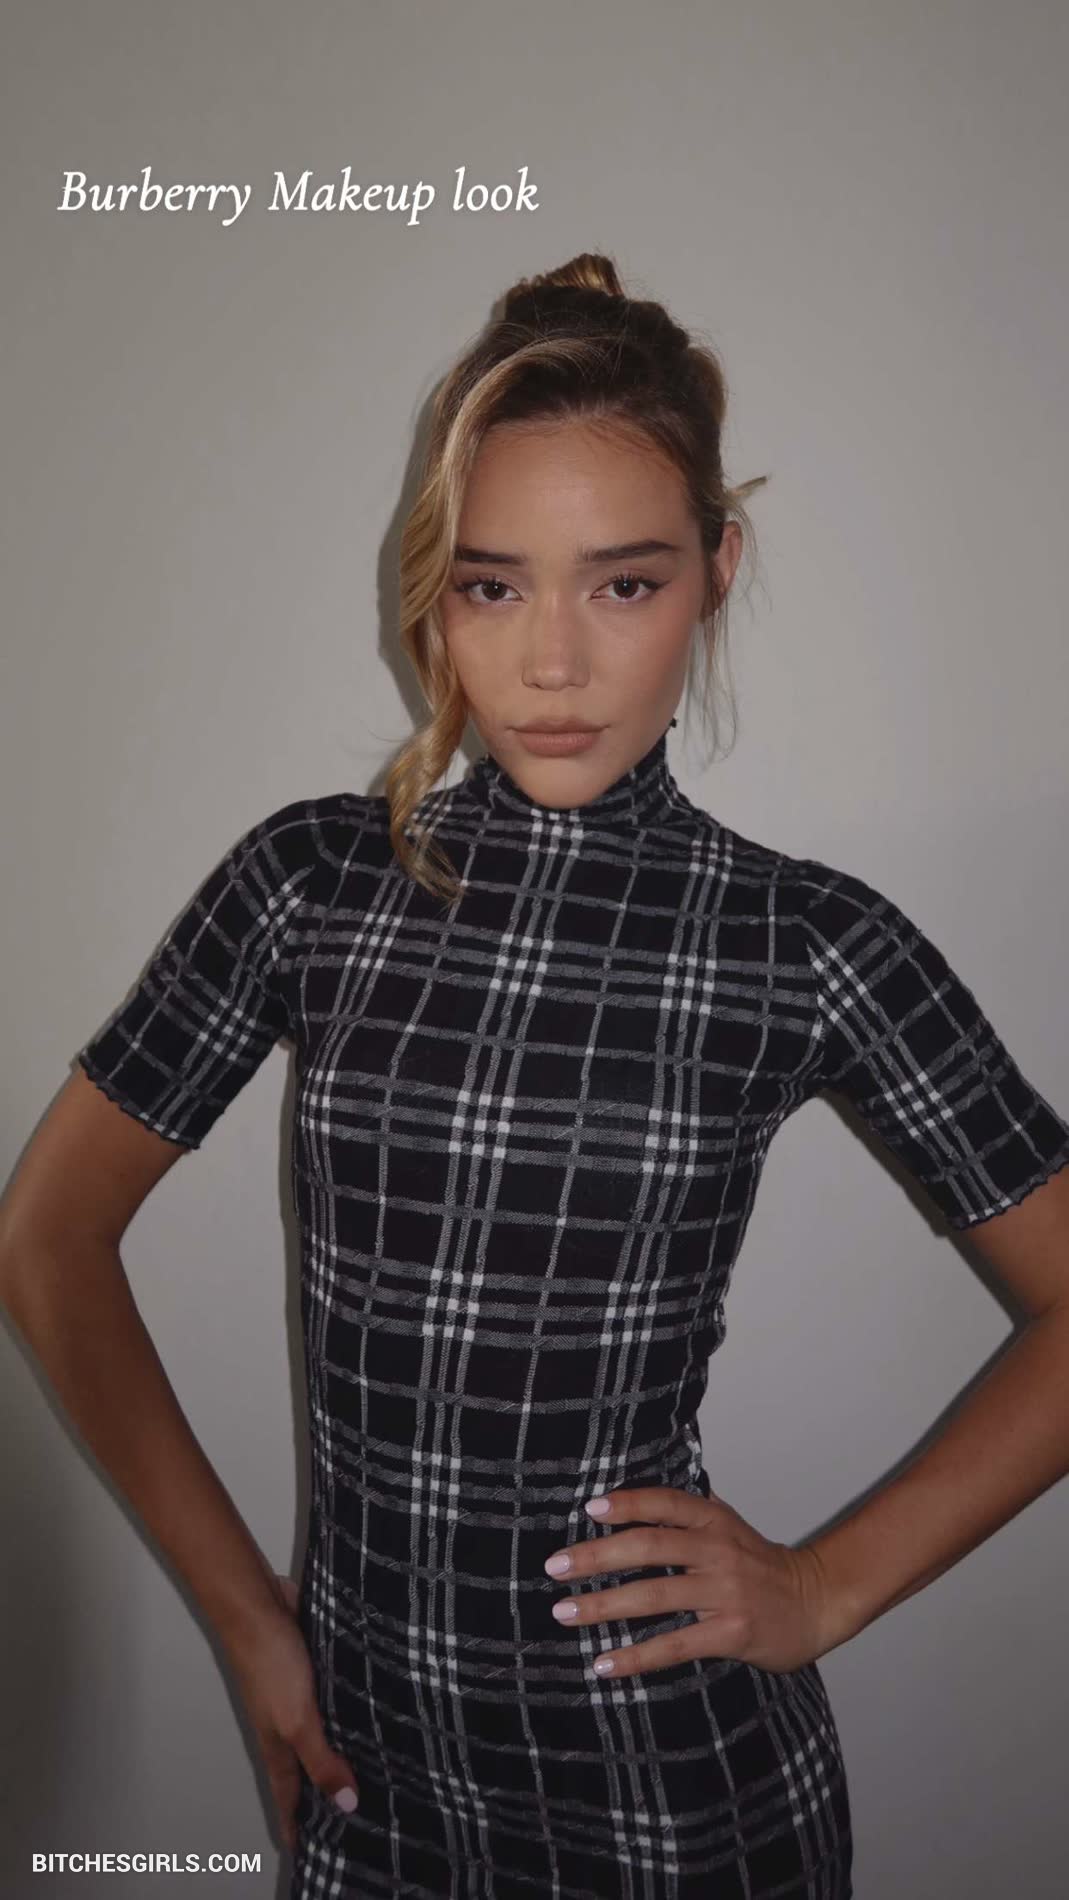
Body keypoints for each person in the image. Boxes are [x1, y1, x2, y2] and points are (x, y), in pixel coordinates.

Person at [3, 251, 1069, 1900]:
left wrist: (823, 1588)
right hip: (366, 1787)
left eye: (621, 585)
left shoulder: (802, 941)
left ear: (715, 570)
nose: (552, 663)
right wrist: (243, 1620)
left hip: (677, 1801)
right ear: (432, 590)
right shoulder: (309, 885)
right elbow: (47, 1237)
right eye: (493, 587)